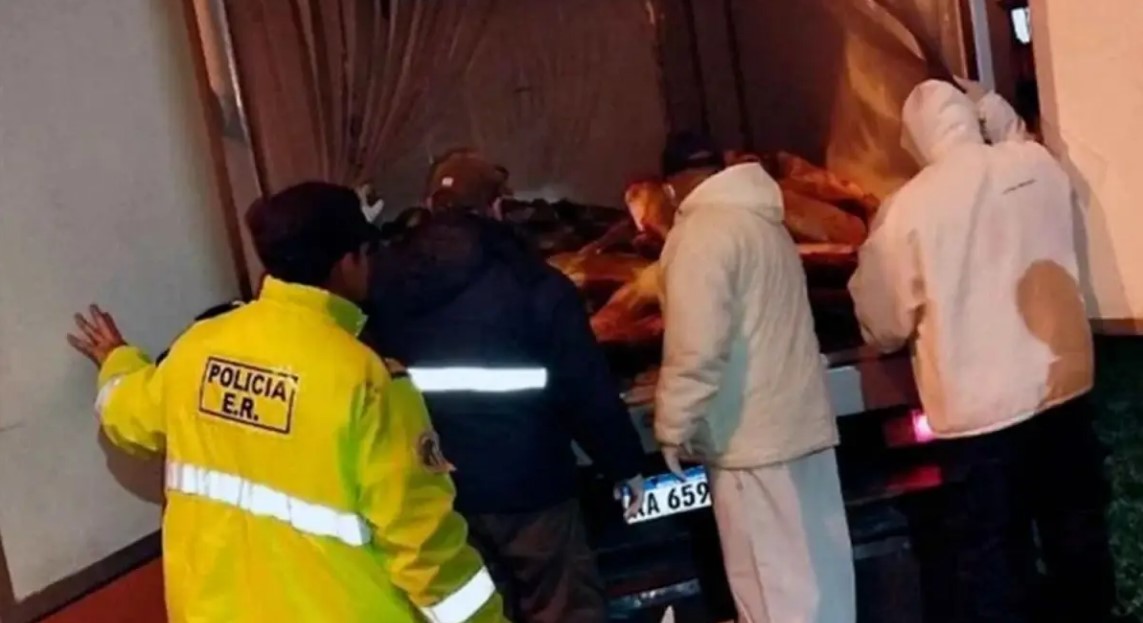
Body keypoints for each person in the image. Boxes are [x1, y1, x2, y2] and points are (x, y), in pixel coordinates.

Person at [67, 182, 506, 623]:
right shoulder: (368, 380)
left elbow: (128, 414)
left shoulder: (201, 346)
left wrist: (117, 358)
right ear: (348, 262)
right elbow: (423, 545)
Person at [849, 80, 1116, 623]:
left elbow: (883, 324)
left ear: (917, 137)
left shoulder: (909, 210)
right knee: (1077, 541)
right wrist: (991, 104)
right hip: (1063, 393)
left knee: (994, 563)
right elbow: (1018, 139)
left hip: (979, 421)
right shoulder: (1035, 166)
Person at [366, 149, 646, 623]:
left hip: (441, 495)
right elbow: (584, 386)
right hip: (532, 491)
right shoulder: (534, 282)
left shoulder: (383, 284)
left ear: (430, 206)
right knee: (563, 609)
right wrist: (624, 465)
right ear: (496, 207)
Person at [653, 132, 855, 623]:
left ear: (673, 185)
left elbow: (698, 346)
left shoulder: (702, 234)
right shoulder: (763, 222)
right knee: (820, 583)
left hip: (751, 444)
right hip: (800, 429)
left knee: (772, 594)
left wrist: (673, 426)